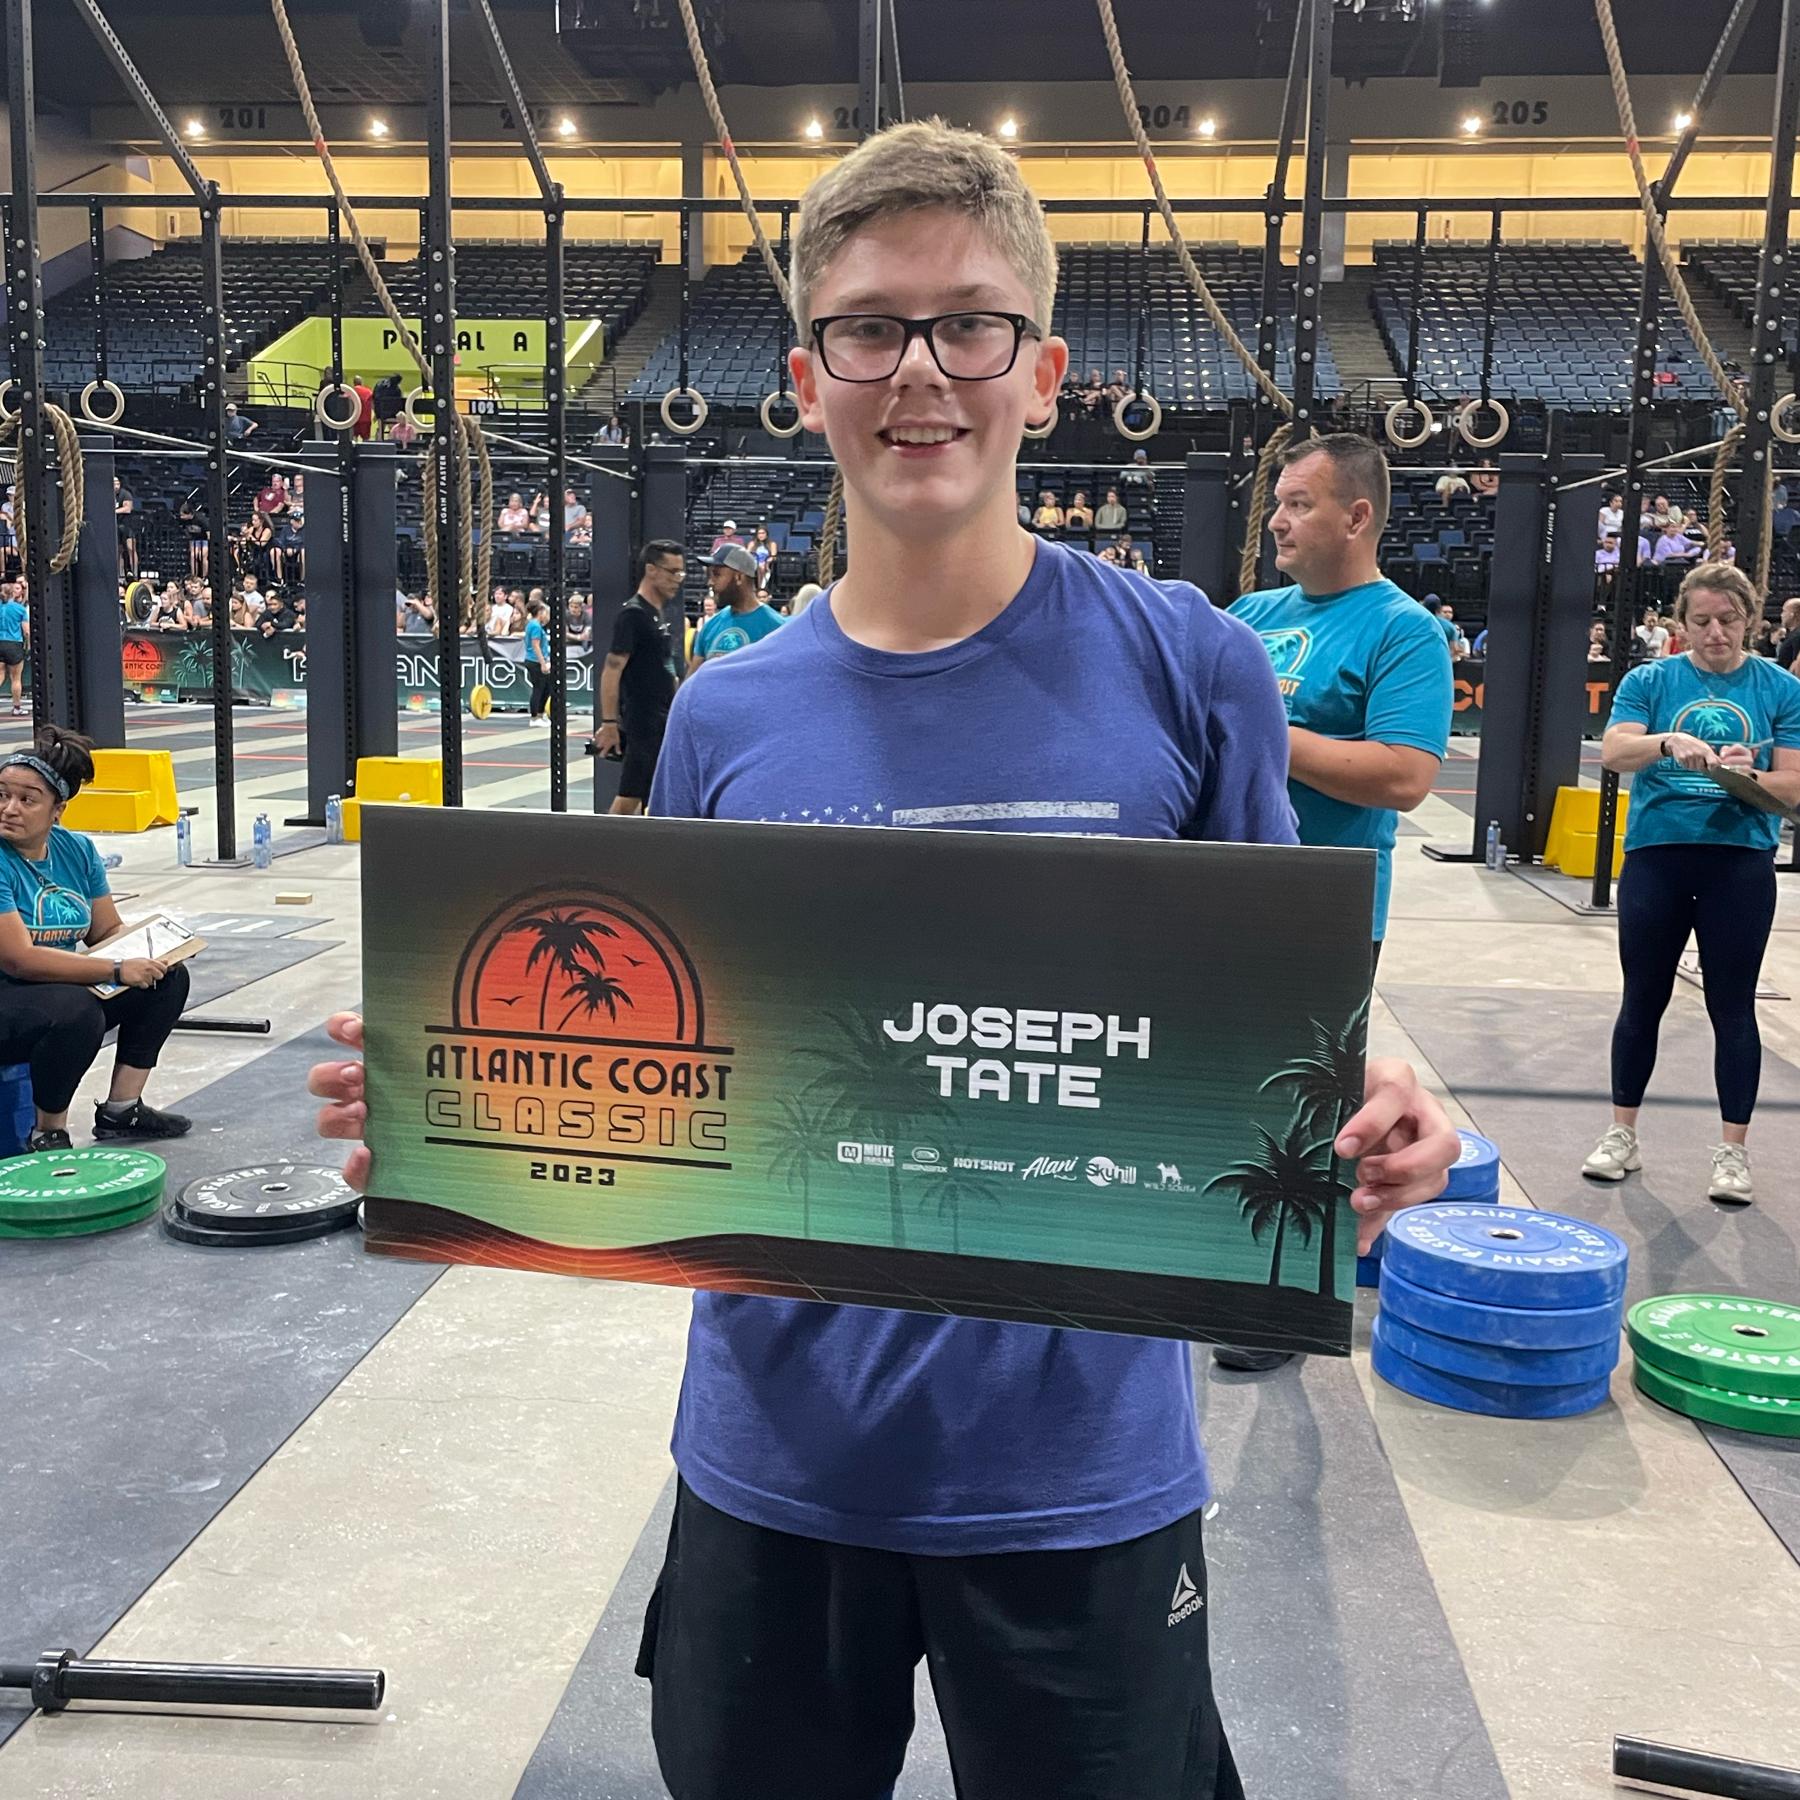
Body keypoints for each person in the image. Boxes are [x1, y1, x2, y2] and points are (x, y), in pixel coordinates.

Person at [310, 119, 1457, 1800]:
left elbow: (1270, 1021)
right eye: (869, 328)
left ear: (1042, 372)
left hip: (1081, 1475)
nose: (920, 370)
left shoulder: (1190, 665)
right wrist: (463, 1111)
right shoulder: (723, 716)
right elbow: (689, 1060)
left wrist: (1376, 1098)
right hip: (778, 1460)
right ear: (807, 378)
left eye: (969, 323)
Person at [1230, 431, 1452, 1370]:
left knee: (1309, 1109)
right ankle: (1213, 1269)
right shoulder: (1250, 612)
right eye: (1279, 503)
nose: (1278, 522)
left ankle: (1284, 1308)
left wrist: (1262, 729)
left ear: (1356, 516)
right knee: (1229, 1090)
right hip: (1231, 888)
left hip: (1329, 903)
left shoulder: (1403, 630)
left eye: (1299, 504)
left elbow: (1405, 776)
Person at [1585, 562, 1800, 1204]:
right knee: (1642, 998)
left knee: (1732, 1006)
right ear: (1681, 623)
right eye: (1702, 621)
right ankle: (1622, 1133)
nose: (1715, 633)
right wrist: (1667, 741)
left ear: (1750, 621)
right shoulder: (1650, 680)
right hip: (1659, 856)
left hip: (1739, 861)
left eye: (1728, 621)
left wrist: (1749, 774)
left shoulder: (1780, 688)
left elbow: (1792, 788)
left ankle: (1733, 1153)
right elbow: (1614, 751)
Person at [0, 727, 192, 1152]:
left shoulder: (77, 851)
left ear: (57, 810)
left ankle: (122, 1109)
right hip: (10, 992)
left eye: (27, 800)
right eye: (2, 795)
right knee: (76, 1009)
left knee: (167, 978)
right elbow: (18, 960)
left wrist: (153, 949)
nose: (9, 808)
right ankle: (48, 1132)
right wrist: (117, 968)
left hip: (50, 989)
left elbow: (105, 931)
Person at [594, 538, 682, 816]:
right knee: (628, 798)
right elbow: (612, 670)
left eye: (680, 573)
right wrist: (609, 723)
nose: (677, 579)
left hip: (661, 720)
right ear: (651, 570)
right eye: (672, 572)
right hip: (643, 723)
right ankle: (602, 845)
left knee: (651, 796)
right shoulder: (633, 615)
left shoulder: (656, 614)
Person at [691, 544, 783, 665]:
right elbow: (694, 676)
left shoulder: (776, 628)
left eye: (716, 575)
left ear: (739, 577)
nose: (710, 582)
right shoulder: (710, 626)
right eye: (710, 576)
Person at [523, 598, 553, 726]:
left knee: (547, 688)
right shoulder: (535, 626)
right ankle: (534, 718)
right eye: (545, 612)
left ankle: (540, 714)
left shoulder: (535, 625)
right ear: (540, 612)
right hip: (535, 661)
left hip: (537, 660)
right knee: (538, 689)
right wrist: (543, 663)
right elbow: (535, 646)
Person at [0, 579, 26, 716]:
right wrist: (28, 644)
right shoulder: (19, 609)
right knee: (16, 678)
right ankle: (16, 708)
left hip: (0, 641)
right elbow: (26, 630)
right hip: (14, 643)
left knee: (0, 675)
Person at [113, 478, 139, 579]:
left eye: (117, 483)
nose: (116, 486)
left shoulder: (125, 494)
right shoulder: (108, 495)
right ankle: (120, 574)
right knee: (118, 550)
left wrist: (113, 511)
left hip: (127, 525)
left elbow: (127, 509)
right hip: (115, 526)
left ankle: (135, 572)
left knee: (131, 548)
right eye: (114, 483)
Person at [1776, 595, 1800, 671]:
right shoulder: (1792, 634)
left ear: (1792, 614)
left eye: (1784, 611)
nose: (1781, 615)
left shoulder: (1797, 636)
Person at [749, 523, 775, 591]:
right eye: (759, 533)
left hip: (766, 563)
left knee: (762, 566)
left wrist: (767, 561)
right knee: (759, 566)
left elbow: (773, 556)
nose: (761, 535)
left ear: (766, 534)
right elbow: (747, 554)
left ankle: (761, 587)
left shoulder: (772, 544)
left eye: (763, 533)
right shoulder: (752, 544)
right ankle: (759, 588)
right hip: (753, 563)